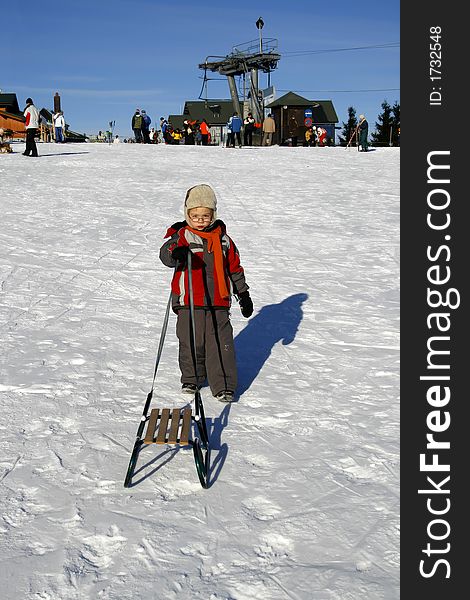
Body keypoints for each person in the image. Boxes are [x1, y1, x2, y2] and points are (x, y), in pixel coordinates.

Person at [159, 184, 253, 402]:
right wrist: (177, 252)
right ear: (187, 215)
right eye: (195, 216)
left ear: (213, 215)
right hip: (188, 300)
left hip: (218, 301)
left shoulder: (224, 240)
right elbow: (165, 254)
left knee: (220, 344)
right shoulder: (182, 235)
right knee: (190, 340)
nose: (200, 220)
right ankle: (192, 378)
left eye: (205, 215)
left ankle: (224, 386)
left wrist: (244, 295)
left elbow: (235, 269)